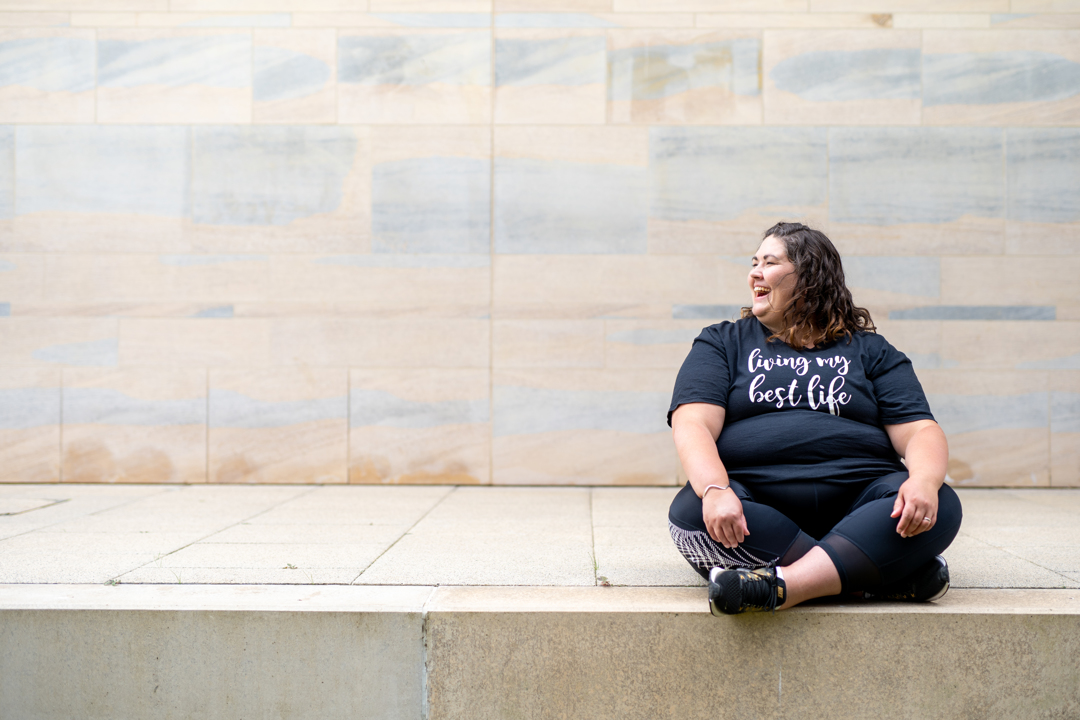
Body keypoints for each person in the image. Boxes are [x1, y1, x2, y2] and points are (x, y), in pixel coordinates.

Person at [667, 221, 962, 615]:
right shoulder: (722, 342)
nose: (754, 272)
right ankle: (873, 575)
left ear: (809, 277)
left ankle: (782, 585)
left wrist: (924, 482)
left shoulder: (871, 351)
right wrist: (716, 490)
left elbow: (920, 430)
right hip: (756, 499)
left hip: (861, 499)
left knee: (939, 502)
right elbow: (693, 423)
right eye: (754, 262)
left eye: (769, 263)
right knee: (691, 512)